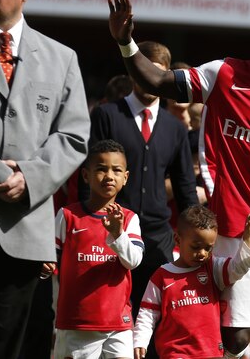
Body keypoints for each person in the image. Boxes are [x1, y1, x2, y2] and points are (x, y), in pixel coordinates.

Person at [108, 0, 250, 359]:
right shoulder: (224, 73)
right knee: (234, 339)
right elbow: (159, 81)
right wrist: (125, 42)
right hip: (235, 227)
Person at [0, 0, 90, 357]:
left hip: (25, 228)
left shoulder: (62, 58)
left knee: (8, 345)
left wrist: (30, 178)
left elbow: (73, 136)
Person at [84, 40, 198, 328]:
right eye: (143, 70)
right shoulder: (107, 115)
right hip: (111, 235)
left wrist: (195, 234)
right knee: (109, 320)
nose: (149, 80)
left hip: (158, 239)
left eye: (156, 73)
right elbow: (88, 182)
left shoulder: (175, 128)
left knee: (154, 324)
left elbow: (186, 189)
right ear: (133, 71)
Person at [53, 139, 144, 358]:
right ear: (86, 175)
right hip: (77, 323)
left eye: (116, 170)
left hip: (118, 324)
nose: (109, 176)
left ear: (126, 177)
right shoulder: (67, 215)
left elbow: (133, 261)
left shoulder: (129, 219)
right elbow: (51, 260)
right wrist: (46, 266)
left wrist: (117, 233)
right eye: (101, 169)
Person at [133, 205, 250, 358]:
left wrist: (247, 241)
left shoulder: (212, 268)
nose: (202, 253)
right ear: (178, 239)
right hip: (175, 352)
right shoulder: (162, 275)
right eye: (196, 247)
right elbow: (148, 313)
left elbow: (237, 268)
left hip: (210, 352)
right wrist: (140, 340)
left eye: (208, 248)